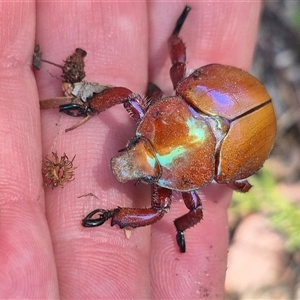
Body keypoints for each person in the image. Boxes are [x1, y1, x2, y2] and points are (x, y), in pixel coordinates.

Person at [0, 2, 262, 299]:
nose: (129, 162)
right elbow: (125, 94)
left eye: (152, 171)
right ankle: (89, 109)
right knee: (175, 203)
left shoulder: (206, 158)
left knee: (190, 200)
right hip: (224, 93)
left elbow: (128, 96)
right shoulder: (187, 141)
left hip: (234, 107)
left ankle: (118, 215)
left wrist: (121, 214)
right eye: (140, 143)